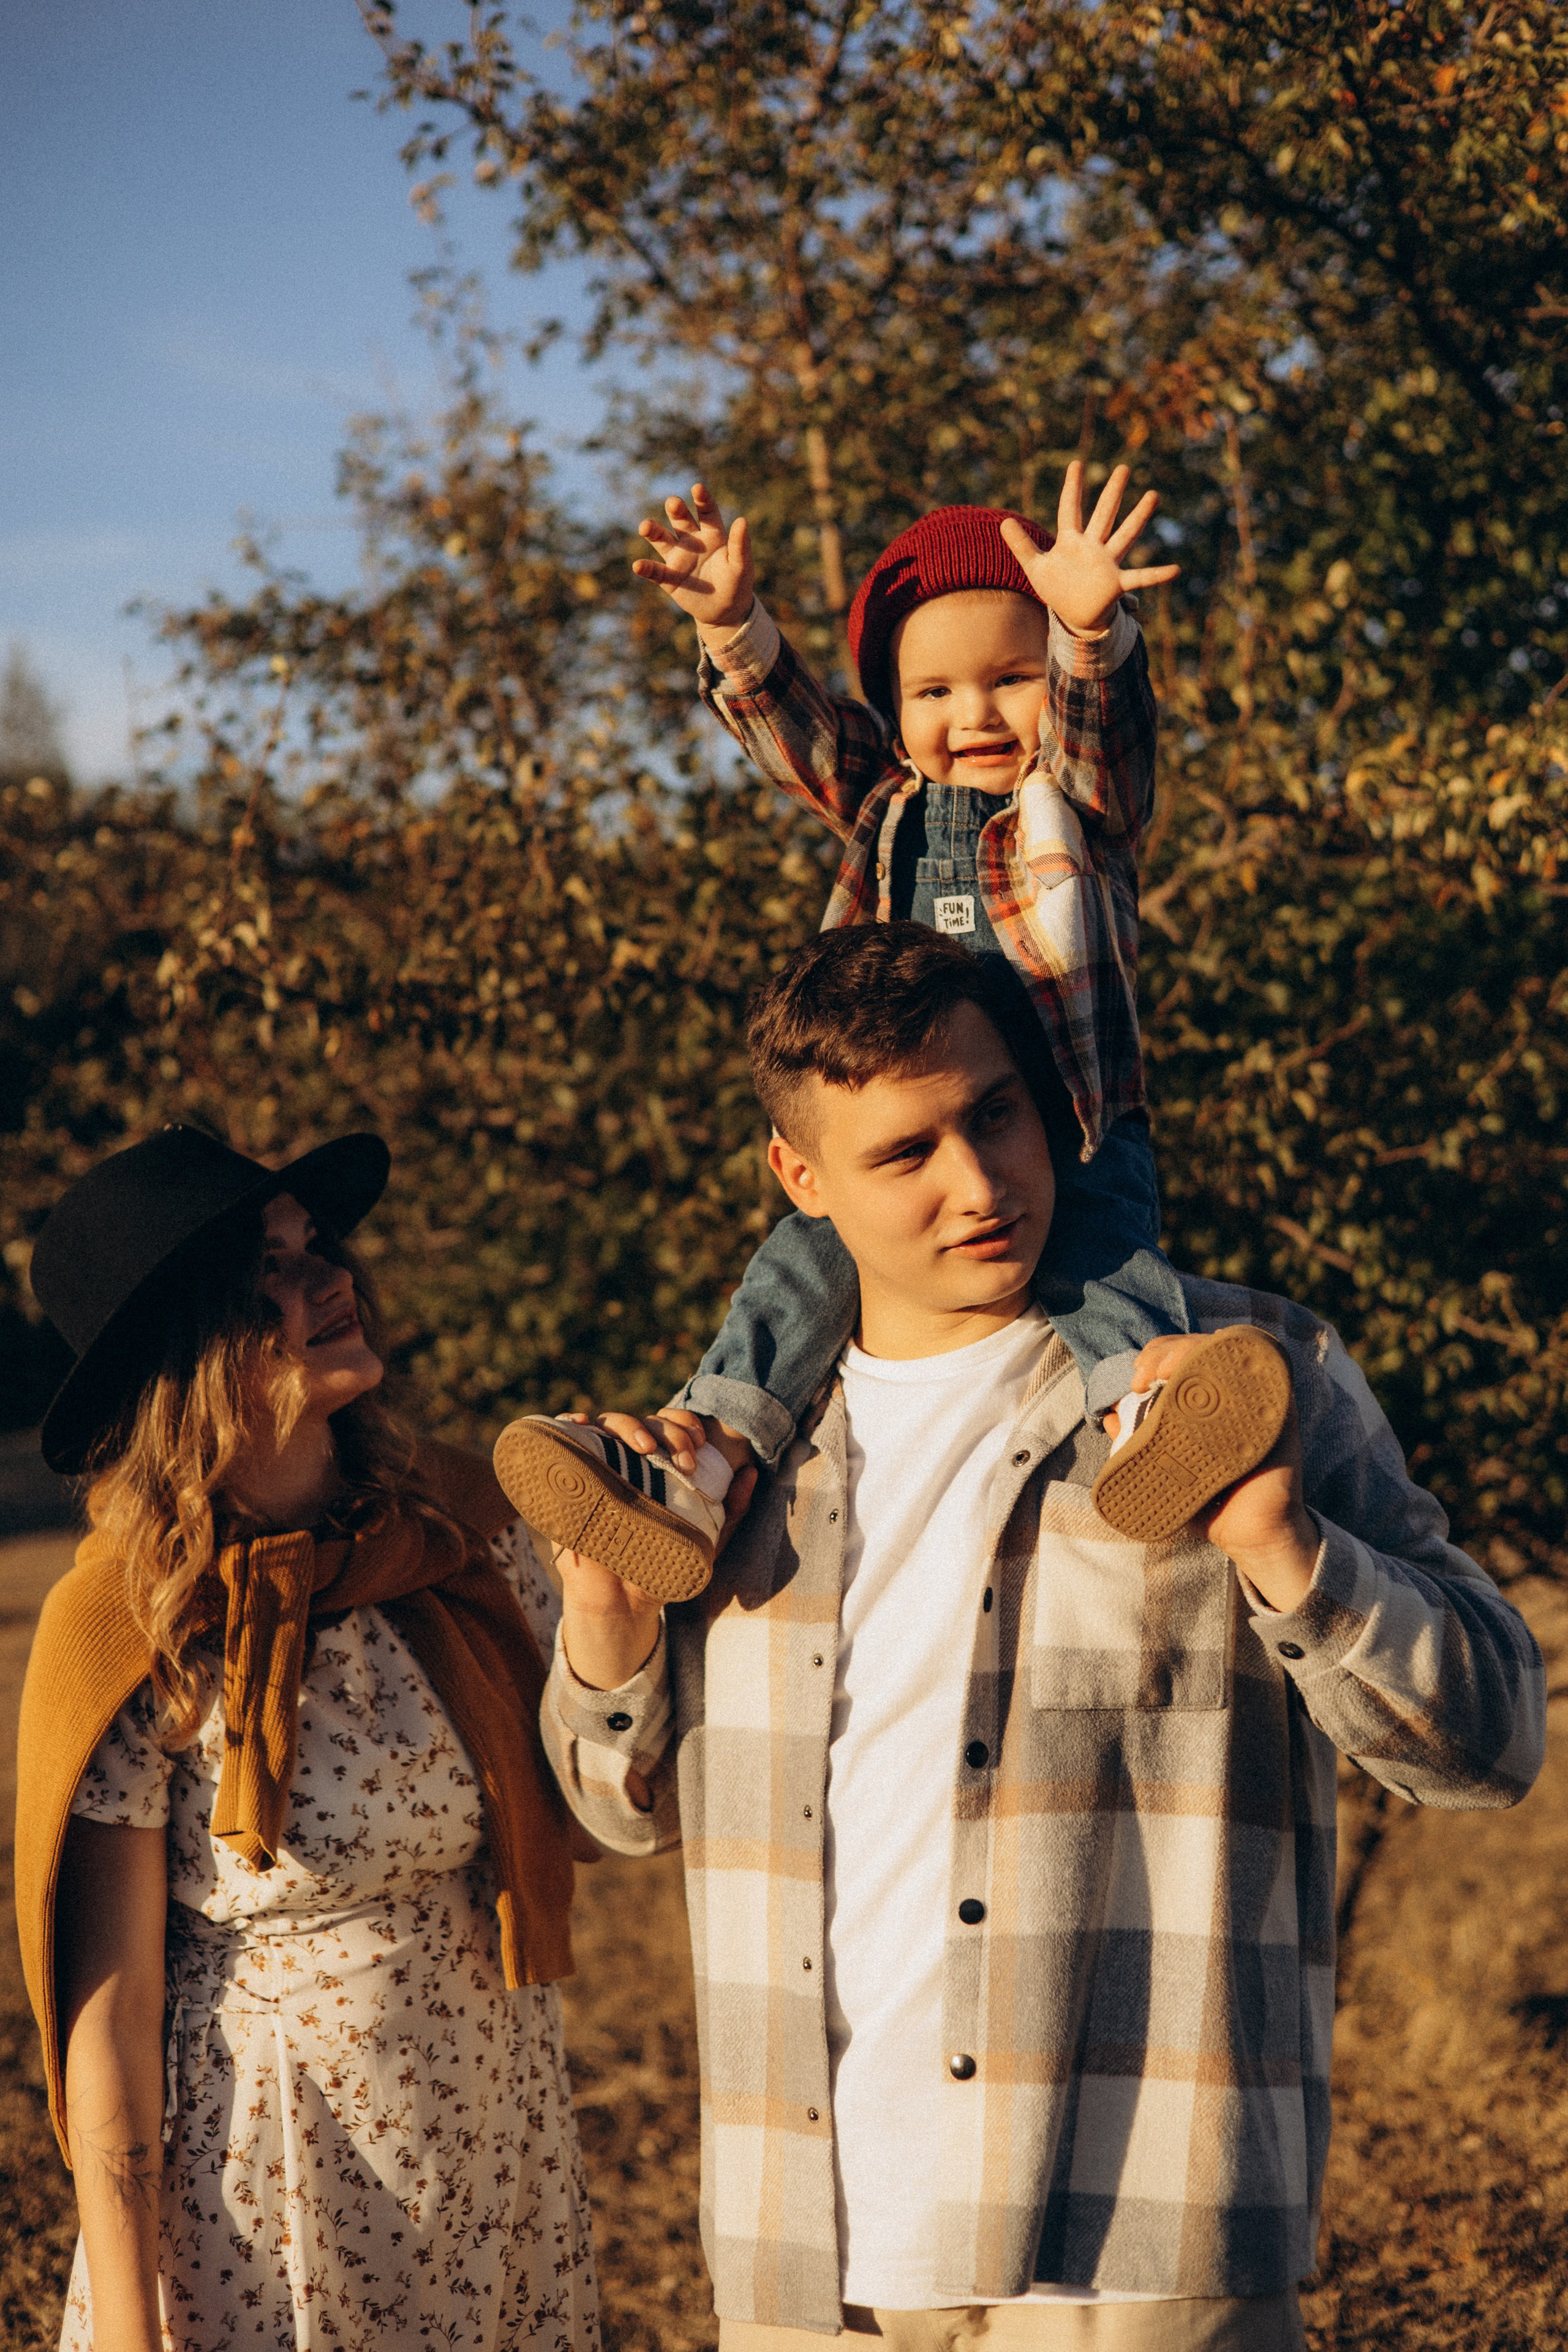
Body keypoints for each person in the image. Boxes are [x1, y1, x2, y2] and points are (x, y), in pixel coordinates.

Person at [530, 922, 1545, 2352]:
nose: (978, 1185)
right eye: (904, 1156)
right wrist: (605, 1631)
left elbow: (1495, 1736)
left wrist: (1280, 1548)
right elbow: (609, 1817)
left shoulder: (1244, 1378)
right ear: (799, 1181)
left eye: (994, 1115)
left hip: (1139, 2250)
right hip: (809, 2260)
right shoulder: (732, 1473)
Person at [499, 462, 1229, 1604]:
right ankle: (701, 1461)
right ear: (897, 708)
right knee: (801, 1265)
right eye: (933, 693)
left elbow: (1108, 743)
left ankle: (1156, 1426)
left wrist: (1092, 638)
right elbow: (791, 731)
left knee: (1104, 1268)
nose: (975, 715)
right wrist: (734, 623)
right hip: (907, 1125)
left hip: (1071, 1122)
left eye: (1013, 679)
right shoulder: (887, 799)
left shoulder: (1075, 804)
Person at [14, 1123, 599, 2352]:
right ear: (185, 1351)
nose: (328, 1279)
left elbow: (607, 1799)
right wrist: (130, 2329)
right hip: (279, 2189)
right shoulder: (137, 1626)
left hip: (493, 2133)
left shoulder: (457, 1532)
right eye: (265, 1275)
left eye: (315, 1247)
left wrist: (615, 1612)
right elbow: (110, 2029)